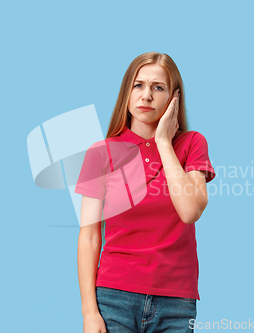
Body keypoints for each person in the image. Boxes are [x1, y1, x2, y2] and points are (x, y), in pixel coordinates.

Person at [75, 52, 216, 333]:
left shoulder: (192, 144)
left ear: (173, 98)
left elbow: (190, 211)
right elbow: (89, 236)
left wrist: (164, 141)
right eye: (138, 85)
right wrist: (89, 311)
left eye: (158, 87)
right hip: (114, 297)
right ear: (126, 92)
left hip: (176, 302)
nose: (146, 96)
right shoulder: (101, 153)